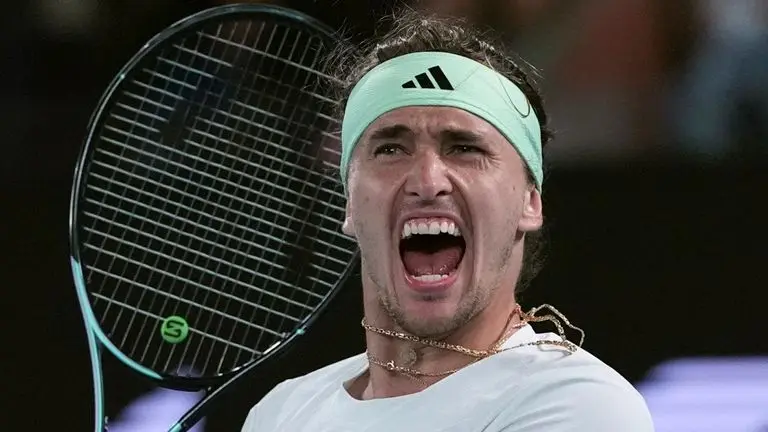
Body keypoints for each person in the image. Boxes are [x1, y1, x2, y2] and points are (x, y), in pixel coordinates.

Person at [240, 9, 654, 432]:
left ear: (531, 202)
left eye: (463, 148)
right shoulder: (280, 412)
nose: (427, 181)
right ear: (349, 203)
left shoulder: (580, 404)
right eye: (390, 150)